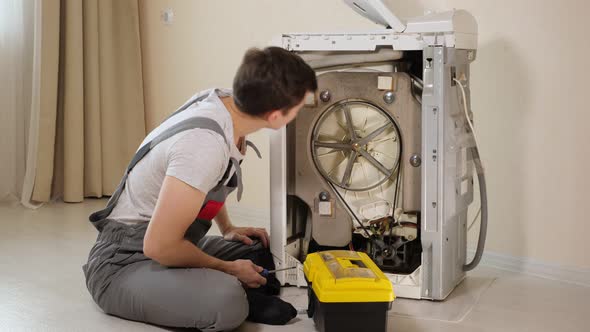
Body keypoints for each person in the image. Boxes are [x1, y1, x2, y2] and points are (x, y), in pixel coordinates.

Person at [82, 46, 317, 331]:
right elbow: (159, 246)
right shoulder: (202, 145)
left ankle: (237, 287)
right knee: (227, 301)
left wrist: (228, 227)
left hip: (171, 238)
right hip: (124, 263)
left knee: (261, 250)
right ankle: (240, 296)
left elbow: (207, 182)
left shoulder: (224, 104)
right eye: (298, 108)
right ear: (276, 116)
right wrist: (229, 268)